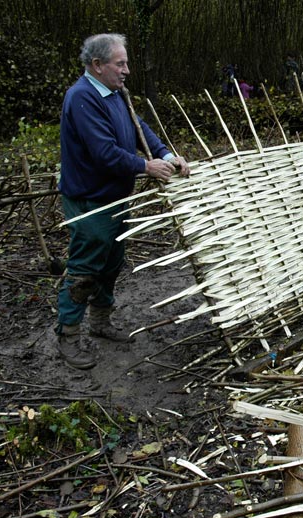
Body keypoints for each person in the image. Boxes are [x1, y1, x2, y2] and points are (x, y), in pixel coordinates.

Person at [56, 33, 190, 370]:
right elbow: (103, 153)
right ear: (98, 65)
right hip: (89, 199)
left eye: (126, 63)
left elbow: (138, 126)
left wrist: (165, 154)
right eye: (121, 63)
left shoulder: (115, 94)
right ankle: (68, 334)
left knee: (112, 261)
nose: (127, 70)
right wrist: (144, 165)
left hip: (114, 196)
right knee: (86, 266)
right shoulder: (83, 98)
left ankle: (100, 322)